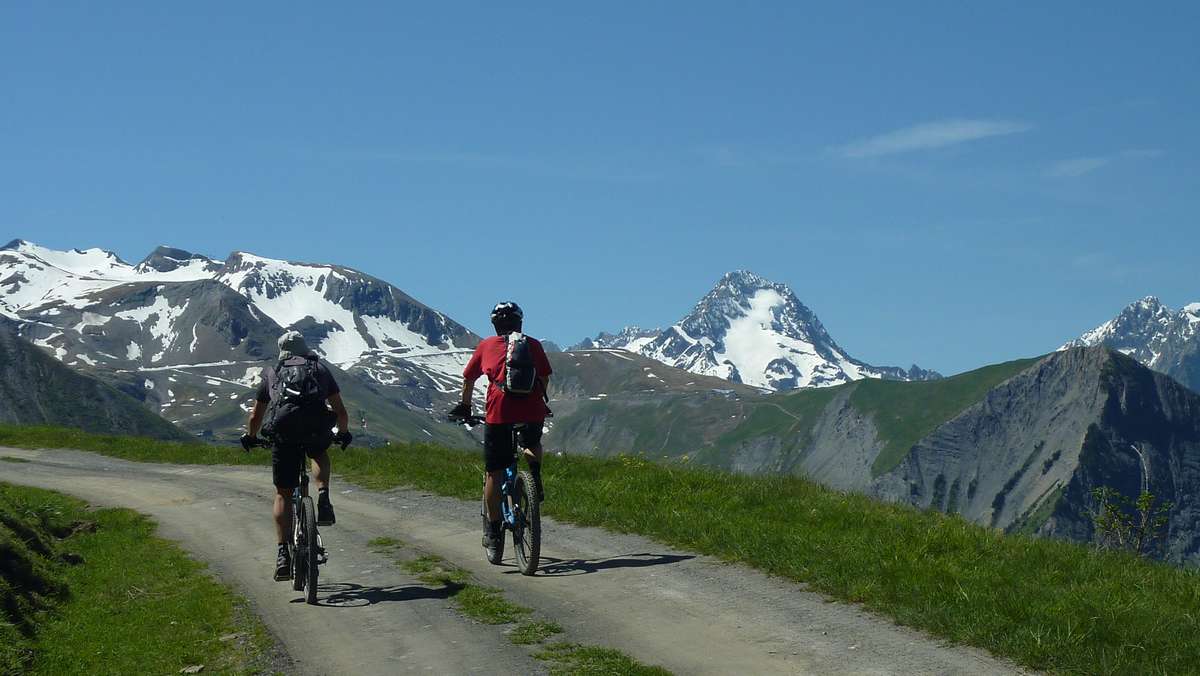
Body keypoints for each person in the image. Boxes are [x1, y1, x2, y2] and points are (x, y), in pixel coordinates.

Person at [242, 331, 352, 581]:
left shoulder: (272, 373)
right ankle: (323, 496)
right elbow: (340, 411)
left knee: (283, 492)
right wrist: (343, 433)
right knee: (319, 453)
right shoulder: (320, 370)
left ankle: (283, 554)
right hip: (315, 429)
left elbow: (255, 417)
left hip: (284, 433)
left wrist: (250, 436)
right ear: (305, 349)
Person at [451, 302, 553, 560]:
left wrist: (464, 406)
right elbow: (544, 377)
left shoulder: (487, 345)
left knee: (494, 473)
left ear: (495, 325)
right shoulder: (534, 345)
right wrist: (539, 400)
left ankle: (494, 533)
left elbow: (469, 378)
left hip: (499, 411)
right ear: (520, 323)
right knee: (531, 443)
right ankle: (535, 477)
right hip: (532, 409)